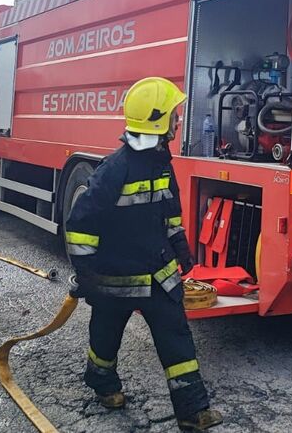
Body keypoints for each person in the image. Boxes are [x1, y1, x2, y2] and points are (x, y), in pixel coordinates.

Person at [65, 77, 222, 432]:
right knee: (105, 335)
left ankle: (193, 411)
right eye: (174, 116)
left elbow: (170, 211)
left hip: (158, 273)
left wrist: (179, 244)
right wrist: (86, 272)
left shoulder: (161, 164)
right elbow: (80, 224)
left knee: (176, 336)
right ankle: (103, 385)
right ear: (158, 122)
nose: (178, 122)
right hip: (115, 278)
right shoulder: (114, 169)